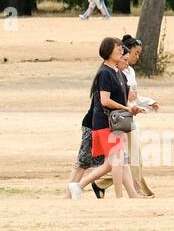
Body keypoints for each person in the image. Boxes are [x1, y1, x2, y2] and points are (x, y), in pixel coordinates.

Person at [68, 38, 145, 199]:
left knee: (116, 161)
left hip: (116, 122)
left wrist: (132, 108)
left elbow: (123, 99)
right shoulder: (105, 73)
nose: (121, 51)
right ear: (109, 52)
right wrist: (126, 108)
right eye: (117, 48)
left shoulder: (119, 74)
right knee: (116, 160)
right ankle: (119, 196)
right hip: (104, 122)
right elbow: (105, 101)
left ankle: (80, 186)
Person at [120, 36, 160, 196]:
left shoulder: (131, 71)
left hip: (130, 116)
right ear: (127, 51)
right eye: (136, 53)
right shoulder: (118, 70)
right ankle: (138, 191)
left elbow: (134, 97)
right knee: (133, 157)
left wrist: (150, 102)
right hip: (121, 117)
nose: (138, 57)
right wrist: (126, 96)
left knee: (131, 158)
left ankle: (100, 183)